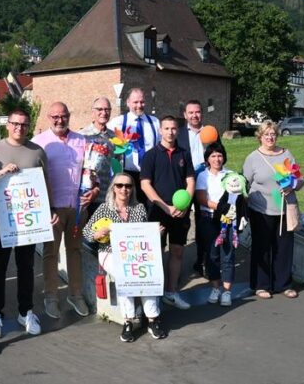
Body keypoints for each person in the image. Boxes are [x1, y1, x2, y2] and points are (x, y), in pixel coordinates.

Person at [0, 108, 52, 338]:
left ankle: (26, 311)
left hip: (28, 222)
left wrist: (48, 211)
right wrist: (0, 173)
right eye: (15, 123)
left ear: (28, 126)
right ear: (7, 124)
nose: (19, 127)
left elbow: (44, 185)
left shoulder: (37, 152)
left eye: (24, 124)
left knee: (26, 267)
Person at [83, 173, 166, 342]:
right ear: (113, 188)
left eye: (128, 186)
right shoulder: (104, 209)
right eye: (120, 185)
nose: (124, 189)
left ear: (132, 189)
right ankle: (127, 319)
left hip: (135, 254)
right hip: (109, 252)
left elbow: (144, 236)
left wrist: (155, 233)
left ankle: (152, 318)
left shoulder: (139, 208)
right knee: (125, 273)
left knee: (146, 273)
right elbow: (86, 232)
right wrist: (98, 232)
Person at [32, 102, 93, 318]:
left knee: (75, 252)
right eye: (55, 116)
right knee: (50, 255)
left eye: (63, 116)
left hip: (76, 209)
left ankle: (75, 294)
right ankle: (51, 297)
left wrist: (92, 190)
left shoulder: (81, 140)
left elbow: (89, 171)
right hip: (52, 210)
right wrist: (45, 209)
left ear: (69, 116)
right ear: (48, 117)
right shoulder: (39, 143)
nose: (60, 120)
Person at [243, 120, 304, 299]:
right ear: (259, 137)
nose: (270, 137)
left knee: (284, 248)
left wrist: (293, 185)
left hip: (284, 209)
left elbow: (300, 179)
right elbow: (244, 184)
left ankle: (283, 284)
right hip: (260, 210)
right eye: (266, 134)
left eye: (273, 134)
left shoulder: (286, 155)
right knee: (261, 248)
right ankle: (261, 285)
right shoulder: (252, 158)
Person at [140, 116, 195, 310]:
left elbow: (190, 181)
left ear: (177, 131)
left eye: (173, 128)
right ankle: (153, 295)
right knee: (155, 253)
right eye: (166, 128)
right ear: (160, 131)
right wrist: (165, 207)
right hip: (158, 212)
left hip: (180, 212)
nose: (170, 132)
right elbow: (145, 184)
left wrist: (185, 205)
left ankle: (171, 292)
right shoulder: (151, 155)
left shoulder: (184, 154)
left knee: (177, 251)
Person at [195, 142, 235, 306]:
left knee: (228, 254)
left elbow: (238, 196)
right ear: (207, 159)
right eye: (213, 156)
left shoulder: (231, 174)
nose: (217, 159)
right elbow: (201, 198)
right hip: (209, 218)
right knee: (212, 256)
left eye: (219, 155)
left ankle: (227, 291)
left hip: (227, 220)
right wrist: (219, 207)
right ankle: (216, 287)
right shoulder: (203, 176)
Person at [107, 88, 160, 204]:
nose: (139, 105)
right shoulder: (117, 122)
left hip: (149, 175)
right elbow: (106, 142)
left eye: (142, 102)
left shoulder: (155, 122)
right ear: (128, 103)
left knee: (149, 210)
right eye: (135, 102)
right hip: (127, 174)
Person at [176, 99, 208, 276]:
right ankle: (176, 265)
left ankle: (201, 262)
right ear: (185, 115)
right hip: (185, 184)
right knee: (183, 222)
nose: (195, 115)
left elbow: (220, 155)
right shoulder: (179, 134)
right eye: (191, 112)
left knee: (204, 224)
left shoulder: (210, 132)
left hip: (206, 183)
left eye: (197, 112)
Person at [79, 96, 117, 218]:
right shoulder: (81, 136)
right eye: (100, 109)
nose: (104, 113)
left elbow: (118, 167)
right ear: (93, 112)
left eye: (107, 109)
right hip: (86, 196)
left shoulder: (115, 138)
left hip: (107, 196)